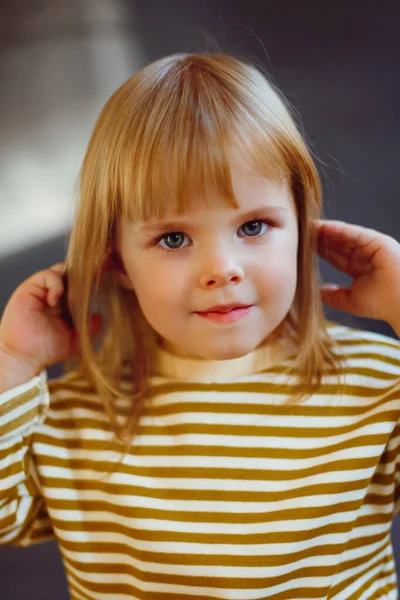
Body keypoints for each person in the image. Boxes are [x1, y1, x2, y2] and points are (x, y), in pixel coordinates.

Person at [0, 52, 399, 600]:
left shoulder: (376, 384)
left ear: (304, 226)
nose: (222, 269)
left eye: (254, 225)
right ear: (117, 262)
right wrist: (14, 364)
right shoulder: (70, 416)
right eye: (173, 239)